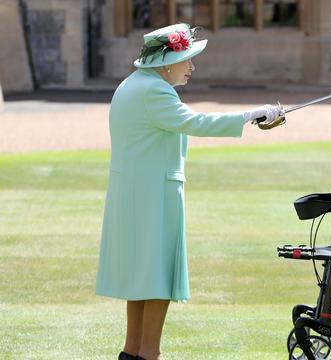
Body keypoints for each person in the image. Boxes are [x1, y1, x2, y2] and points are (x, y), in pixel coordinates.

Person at [95, 23, 285, 360]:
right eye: (187, 59)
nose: (191, 67)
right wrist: (252, 114)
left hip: (138, 194)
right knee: (157, 278)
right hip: (153, 196)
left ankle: (134, 351)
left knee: (144, 276)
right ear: (167, 62)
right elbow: (196, 123)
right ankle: (150, 354)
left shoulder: (133, 84)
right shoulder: (154, 91)